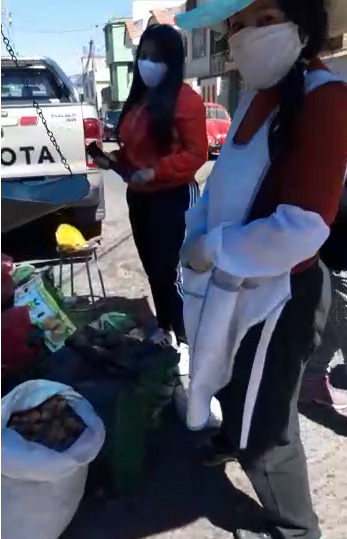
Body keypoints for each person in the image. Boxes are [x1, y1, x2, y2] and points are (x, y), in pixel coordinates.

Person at [177, 1, 347, 538]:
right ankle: (232, 437)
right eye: (237, 24)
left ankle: (296, 530)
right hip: (234, 283)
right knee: (233, 382)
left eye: (265, 17)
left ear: (305, 20)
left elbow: (304, 227)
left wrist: (218, 247)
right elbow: (224, 179)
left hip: (281, 293)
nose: (246, 35)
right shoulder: (258, 93)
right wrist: (196, 232)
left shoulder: (326, 97)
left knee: (268, 430)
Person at [96, 24, 208, 347]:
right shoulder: (138, 102)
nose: (147, 63)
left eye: (156, 57)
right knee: (153, 270)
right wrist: (112, 160)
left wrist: (157, 171)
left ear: (172, 61)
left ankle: (188, 339)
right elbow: (134, 153)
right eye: (142, 55)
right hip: (140, 199)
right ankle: (166, 330)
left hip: (173, 197)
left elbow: (196, 153)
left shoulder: (186, 100)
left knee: (170, 271)